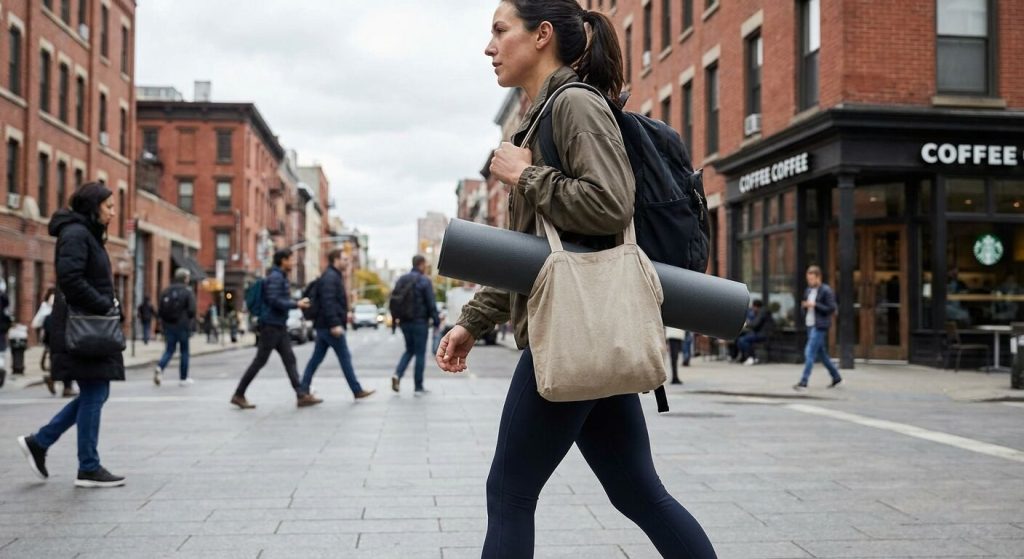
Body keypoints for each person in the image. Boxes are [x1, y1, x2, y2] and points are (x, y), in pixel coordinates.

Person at [436, 3, 718, 557]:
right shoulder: (541, 117)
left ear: (542, 35)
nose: (488, 47)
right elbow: (535, 254)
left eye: (499, 31)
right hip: (591, 322)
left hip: (571, 328)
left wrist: (526, 174)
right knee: (637, 491)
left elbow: (611, 205)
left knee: (509, 491)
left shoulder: (576, 105)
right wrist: (474, 320)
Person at [17, 182, 126, 488]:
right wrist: (105, 305)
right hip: (83, 327)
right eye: (109, 207)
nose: (113, 212)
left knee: (96, 391)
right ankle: (87, 466)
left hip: (92, 324)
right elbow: (71, 279)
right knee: (95, 392)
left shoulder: (85, 234)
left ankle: (40, 442)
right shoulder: (77, 234)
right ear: (93, 207)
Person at [231, 248, 321, 409]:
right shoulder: (275, 278)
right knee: (260, 361)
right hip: (271, 326)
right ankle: (239, 394)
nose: (293, 263)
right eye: (291, 259)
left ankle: (301, 395)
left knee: (289, 360)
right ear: (283, 261)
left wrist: (295, 302)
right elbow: (274, 301)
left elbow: (280, 299)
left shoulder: (280, 277)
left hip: (278, 325)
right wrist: (296, 304)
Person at [300, 249, 375, 401]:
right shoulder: (330, 277)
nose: (347, 262)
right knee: (344, 357)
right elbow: (328, 303)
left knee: (316, 359)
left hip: (324, 325)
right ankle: (357, 390)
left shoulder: (332, 275)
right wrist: (335, 324)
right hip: (329, 327)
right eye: (345, 259)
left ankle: (303, 391)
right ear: (336, 259)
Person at [391, 255, 440, 395]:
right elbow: (431, 303)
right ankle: (418, 386)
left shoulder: (401, 279)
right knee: (419, 353)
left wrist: (395, 322)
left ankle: (397, 374)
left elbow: (395, 301)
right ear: (421, 264)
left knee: (409, 350)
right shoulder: (424, 280)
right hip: (420, 322)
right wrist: (436, 321)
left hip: (404, 322)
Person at [794, 266, 843, 391]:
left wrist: (815, 305)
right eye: (808, 279)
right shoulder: (808, 290)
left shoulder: (826, 290)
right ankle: (836, 376)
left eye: (811, 279)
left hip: (819, 326)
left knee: (809, 352)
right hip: (810, 324)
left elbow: (831, 308)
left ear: (818, 277)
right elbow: (805, 306)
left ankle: (804, 381)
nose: (809, 281)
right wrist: (804, 306)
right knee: (822, 354)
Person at [154, 269, 196, 387]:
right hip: (182, 325)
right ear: (185, 278)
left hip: (168, 325)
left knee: (169, 349)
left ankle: (160, 367)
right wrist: (190, 322)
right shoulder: (187, 291)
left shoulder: (166, 291)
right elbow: (192, 310)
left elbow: (160, 310)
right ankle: (183, 378)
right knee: (184, 351)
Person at [35, 288, 77, 397]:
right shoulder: (62, 297)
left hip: (53, 335)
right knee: (66, 360)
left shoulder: (54, 298)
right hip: (60, 333)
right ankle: (66, 386)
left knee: (57, 360)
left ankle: (54, 378)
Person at [736, 300, 774, 365]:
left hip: (763, 334)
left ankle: (751, 357)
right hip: (760, 333)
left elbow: (755, 324)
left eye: (753, 307)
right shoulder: (761, 312)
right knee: (740, 340)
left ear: (756, 306)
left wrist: (746, 324)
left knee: (743, 340)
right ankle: (746, 357)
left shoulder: (762, 312)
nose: (752, 309)